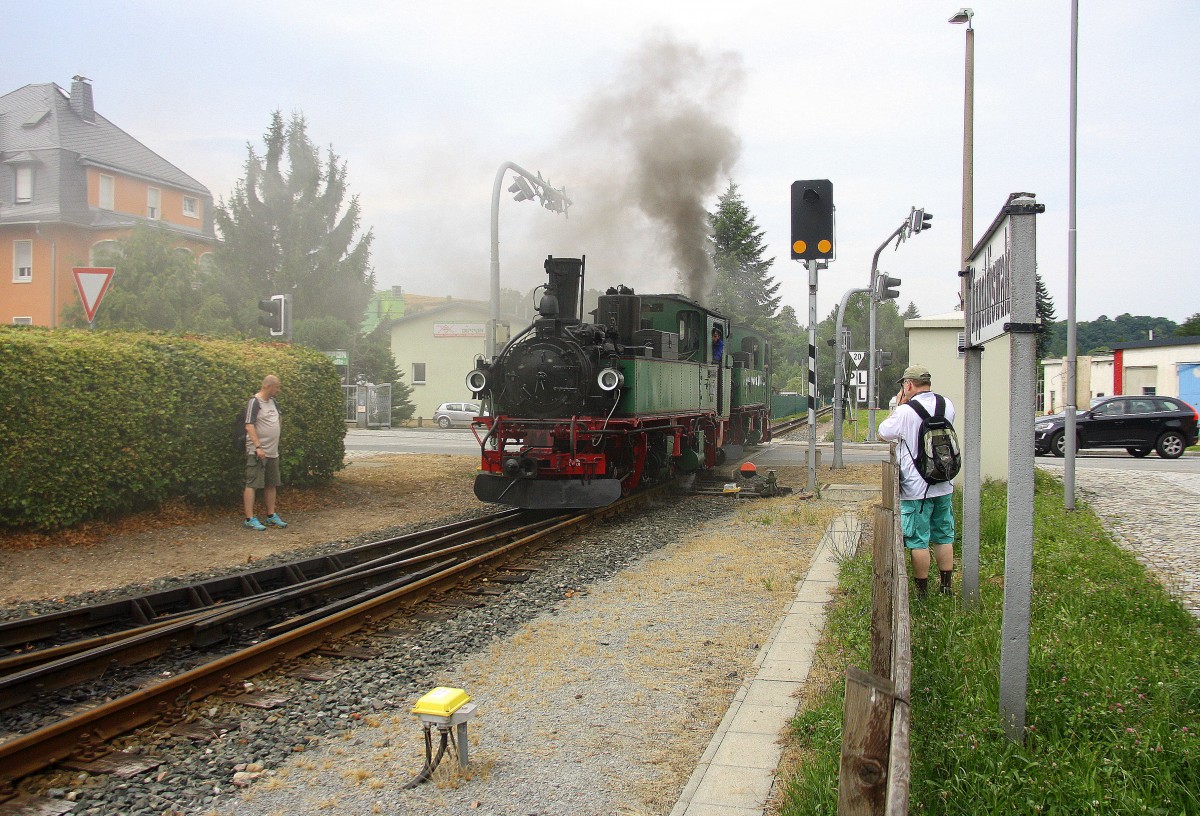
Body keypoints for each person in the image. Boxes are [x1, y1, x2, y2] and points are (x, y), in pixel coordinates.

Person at [877, 364, 955, 598]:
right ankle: (946, 588)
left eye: (904, 385)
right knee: (943, 536)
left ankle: (922, 593)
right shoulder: (947, 405)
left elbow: (883, 433)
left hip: (915, 488)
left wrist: (900, 405)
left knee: (918, 541)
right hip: (943, 482)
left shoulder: (906, 412)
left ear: (908, 384)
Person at [242, 374, 286, 531]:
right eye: (277, 387)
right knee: (252, 483)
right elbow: (249, 425)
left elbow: (279, 418)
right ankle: (249, 518)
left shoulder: (274, 402)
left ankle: (270, 516)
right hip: (257, 451)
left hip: (273, 451)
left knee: (271, 483)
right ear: (268, 386)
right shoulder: (254, 402)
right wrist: (258, 446)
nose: (278, 390)